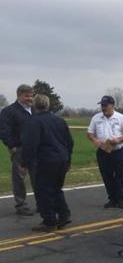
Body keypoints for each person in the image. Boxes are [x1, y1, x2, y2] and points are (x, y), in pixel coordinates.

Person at [20, 94, 73, 231]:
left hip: (46, 160)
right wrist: (68, 159)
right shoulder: (60, 121)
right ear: (48, 105)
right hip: (62, 159)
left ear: (35, 106)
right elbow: (70, 142)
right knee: (56, 188)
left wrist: (24, 163)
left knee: (43, 191)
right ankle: (63, 215)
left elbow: (30, 145)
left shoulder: (33, 122)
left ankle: (49, 220)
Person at [87, 95, 123, 209]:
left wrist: (119, 139)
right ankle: (112, 199)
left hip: (119, 150)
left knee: (120, 175)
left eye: (106, 105)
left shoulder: (121, 118)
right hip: (103, 151)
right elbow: (89, 133)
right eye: (102, 106)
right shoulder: (96, 118)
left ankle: (122, 199)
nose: (103, 108)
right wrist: (95, 140)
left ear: (112, 105)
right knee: (107, 175)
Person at [0, 84, 37, 216]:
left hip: (36, 149)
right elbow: (4, 131)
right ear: (19, 95)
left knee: (37, 176)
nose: (30, 98)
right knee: (19, 178)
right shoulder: (8, 112)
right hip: (19, 149)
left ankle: (41, 202)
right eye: (27, 96)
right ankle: (21, 205)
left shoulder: (35, 110)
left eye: (31, 96)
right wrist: (12, 147)